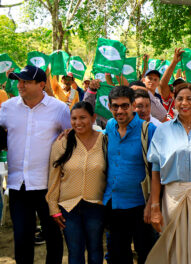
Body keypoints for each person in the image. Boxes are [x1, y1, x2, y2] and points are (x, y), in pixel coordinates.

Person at [0, 65, 69, 263]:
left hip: (50, 186)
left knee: (53, 237)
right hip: (17, 185)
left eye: (26, 81)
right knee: (22, 238)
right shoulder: (8, 108)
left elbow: (74, 133)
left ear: (41, 85)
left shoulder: (59, 109)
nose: (20, 85)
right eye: (18, 80)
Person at [145, 83, 191, 264]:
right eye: (180, 99)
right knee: (173, 243)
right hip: (172, 195)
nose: (184, 103)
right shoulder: (163, 130)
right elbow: (155, 169)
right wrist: (155, 206)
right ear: (173, 102)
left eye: (189, 98)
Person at [47, 101, 106, 264]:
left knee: (95, 250)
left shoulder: (105, 141)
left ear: (93, 118)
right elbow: (54, 177)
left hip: (96, 206)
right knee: (75, 252)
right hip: (68, 207)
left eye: (83, 118)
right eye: (74, 119)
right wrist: (53, 208)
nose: (78, 122)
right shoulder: (62, 143)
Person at [103, 86, 157, 264]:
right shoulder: (110, 127)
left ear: (133, 105)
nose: (120, 111)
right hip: (113, 203)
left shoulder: (148, 130)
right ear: (110, 107)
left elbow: (157, 170)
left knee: (146, 253)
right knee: (118, 255)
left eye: (124, 106)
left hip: (140, 205)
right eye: (115, 106)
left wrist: (152, 203)